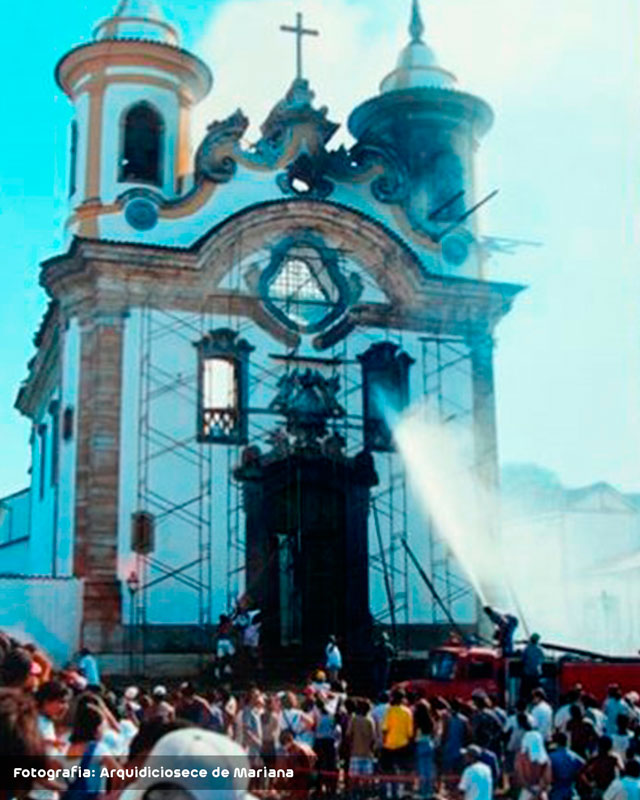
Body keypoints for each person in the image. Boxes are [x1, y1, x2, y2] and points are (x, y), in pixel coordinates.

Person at [381, 689, 414, 799]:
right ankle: (399, 794)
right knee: (400, 772)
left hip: (389, 745)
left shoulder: (390, 711)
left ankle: (388, 793)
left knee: (387, 772)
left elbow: (385, 729)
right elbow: (410, 733)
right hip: (403, 745)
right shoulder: (408, 712)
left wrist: (383, 742)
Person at [581, 735, 624, 799]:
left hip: (600, 789)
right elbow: (623, 771)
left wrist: (589, 784)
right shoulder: (613, 758)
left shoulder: (596, 758)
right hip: (609, 789)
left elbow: (582, 772)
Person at [515, 730, 552, 800]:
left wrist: (531, 790)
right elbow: (547, 779)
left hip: (526, 792)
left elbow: (520, 778)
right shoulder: (545, 758)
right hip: (540, 793)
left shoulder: (520, 757)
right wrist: (539, 791)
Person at [347, 698, 376, 786]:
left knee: (354, 778)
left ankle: (354, 794)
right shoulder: (370, 721)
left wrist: (350, 747)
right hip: (367, 754)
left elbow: (348, 735)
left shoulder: (354, 720)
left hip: (355, 753)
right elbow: (373, 738)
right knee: (366, 778)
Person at [549, 732, 585, 800]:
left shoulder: (551, 757)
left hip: (556, 792)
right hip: (571, 791)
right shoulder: (575, 756)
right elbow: (583, 768)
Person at [414, 699, 437, 798]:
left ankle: (423, 793)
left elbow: (415, 734)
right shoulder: (430, 720)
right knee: (429, 769)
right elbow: (434, 733)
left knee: (422, 770)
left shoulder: (417, 720)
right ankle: (429, 791)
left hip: (420, 745)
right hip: (429, 744)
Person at [521, 634, 545, 701]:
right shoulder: (540, 649)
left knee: (525, 692)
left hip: (528, 674)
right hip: (536, 674)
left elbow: (523, 659)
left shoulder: (527, 648)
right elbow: (543, 658)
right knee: (536, 691)